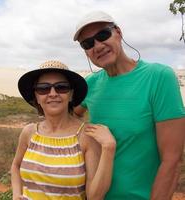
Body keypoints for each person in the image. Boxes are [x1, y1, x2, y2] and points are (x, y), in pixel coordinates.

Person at [73, 10, 185, 200]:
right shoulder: (90, 84)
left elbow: (171, 161)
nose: (98, 46)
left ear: (118, 32)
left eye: (103, 35)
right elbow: (65, 118)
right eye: (88, 43)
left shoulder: (158, 77)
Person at [11, 60, 116, 200]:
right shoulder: (29, 132)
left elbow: (95, 197)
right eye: (43, 88)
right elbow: (16, 166)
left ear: (71, 94)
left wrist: (109, 148)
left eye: (61, 87)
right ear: (36, 96)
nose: (53, 93)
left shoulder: (86, 135)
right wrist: (16, 194)